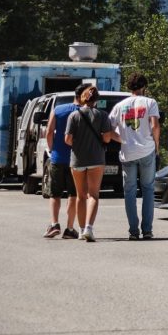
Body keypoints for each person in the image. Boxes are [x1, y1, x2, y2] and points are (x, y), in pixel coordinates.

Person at [107, 73, 161, 241]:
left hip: (127, 153)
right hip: (147, 150)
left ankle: (133, 231)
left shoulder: (119, 106)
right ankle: (147, 230)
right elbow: (155, 125)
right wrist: (157, 145)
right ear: (144, 86)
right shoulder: (150, 102)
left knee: (129, 192)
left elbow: (108, 130)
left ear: (129, 87)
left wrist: (122, 139)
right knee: (148, 189)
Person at [63, 84, 115, 243]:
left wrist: (79, 144)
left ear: (82, 98)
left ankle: (80, 230)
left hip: (78, 159)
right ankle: (89, 228)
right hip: (96, 159)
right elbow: (107, 138)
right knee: (93, 195)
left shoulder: (73, 115)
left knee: (80, 195)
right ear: (97, 100)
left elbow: (67, 139)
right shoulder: (102, 115)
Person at [42, 91, 81, 239]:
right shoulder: (84, 112)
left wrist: (52, 149)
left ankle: (54, 224)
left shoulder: (58, 110)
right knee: (73, 194)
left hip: (57, 158)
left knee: (55, 193)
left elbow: (49, 132)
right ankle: (69, 229)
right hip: (76, 159)